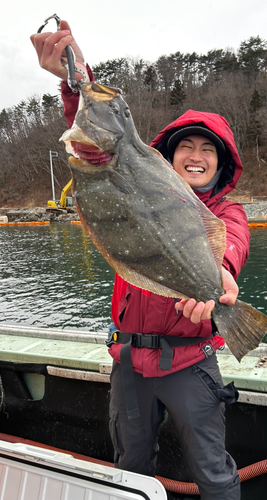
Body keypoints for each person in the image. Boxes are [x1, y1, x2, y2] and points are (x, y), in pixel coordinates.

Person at [31, 21, 250, 500]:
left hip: (192, 362)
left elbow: (232, 242)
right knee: (130, 468)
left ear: (221, 163)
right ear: (166, 159)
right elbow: (102, 141)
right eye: (185, 147)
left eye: (207, 150)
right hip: (128, 359)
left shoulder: (225, 211)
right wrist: (76, 76)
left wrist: (223, 278)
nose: (195, 156)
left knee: (213, 472)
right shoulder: (133, 186)